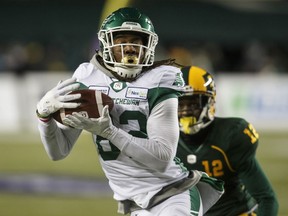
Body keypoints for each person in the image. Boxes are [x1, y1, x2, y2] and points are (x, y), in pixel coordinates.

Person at [36, 7, 224, 216]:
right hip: (133, 204)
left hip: (174, 192)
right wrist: (44, 117)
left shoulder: (161, 78)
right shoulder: (87, 77)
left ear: (148, 45)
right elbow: (58, 151)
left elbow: (162, 159)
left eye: (136, 41)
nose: (130, 48)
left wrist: (110, 132)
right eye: (121, 40)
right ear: (106, 44)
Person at [176, 65, 279, 215]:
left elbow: (266, 198)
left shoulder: (231, 136)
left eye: (193, 103)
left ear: (209, 103)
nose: (186, 111)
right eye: (179, 104)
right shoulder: (159, 139)